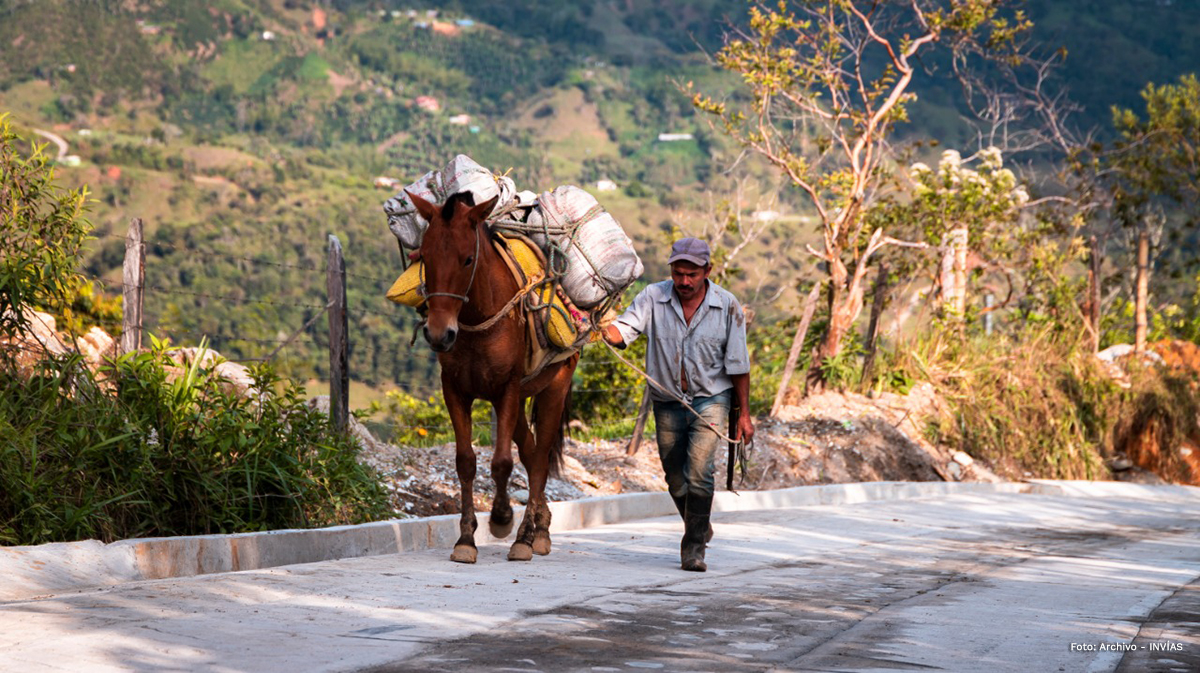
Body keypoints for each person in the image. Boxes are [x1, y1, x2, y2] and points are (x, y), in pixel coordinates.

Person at [603, 237, 754, 572]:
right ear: (671, 269)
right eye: (678, 273)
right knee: (675, 477)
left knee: (700, 471)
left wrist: (744, 414)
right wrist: (599, 327)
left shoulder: (727, 306)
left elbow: (739, 367)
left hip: (711, 398)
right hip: (668, 400)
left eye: (692, 274)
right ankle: (699, 523)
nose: (684, 281)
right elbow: (623, 330)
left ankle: (693, 547)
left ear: (707, 271)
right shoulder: (653, 297)